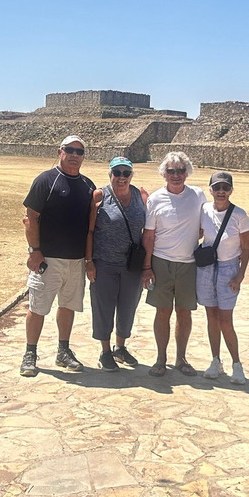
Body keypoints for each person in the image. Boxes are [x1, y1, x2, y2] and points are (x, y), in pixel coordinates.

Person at [20, 135, 96, 376]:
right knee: (38, 307)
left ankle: (63, 350)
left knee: (68, 305)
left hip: (75, 260)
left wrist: (88, 260)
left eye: (79, 152)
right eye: (69, 150)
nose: (74, 155)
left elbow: (91, 227)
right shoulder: (46, 180)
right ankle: (30, 353)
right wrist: (34, 251)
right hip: (48, 259)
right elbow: (30, 218)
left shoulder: (88, 185)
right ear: (59, 151)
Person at [141, 151, 206, 376]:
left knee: (184, 312)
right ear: (164, 173)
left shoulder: (197, 195)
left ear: (187, 172)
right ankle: (161, 358)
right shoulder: (155, 199)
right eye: (171, 171)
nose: (176, 175)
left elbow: (204, 226)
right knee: (162, 312)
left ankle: (181, 358)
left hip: (188, 263)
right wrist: (147, 267)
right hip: (161, 262)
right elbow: (149, 236)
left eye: (180, 170)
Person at [84, 156, 148, 371]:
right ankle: (105, 351)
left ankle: (120, 347)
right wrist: (89, 261)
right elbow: (89, 231)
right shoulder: (100, 196)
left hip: (132, 264)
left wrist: (147, 265)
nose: (122, 177)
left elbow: (149, 230)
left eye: (126, 173)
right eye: (117, 173)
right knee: (103, 307)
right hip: (104, 263)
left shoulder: (140, 195)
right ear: (110, 174)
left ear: (131, 175)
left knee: (128, 306)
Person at [197, 171, 249, 385]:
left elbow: (246, 247)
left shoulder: (240, 215)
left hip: (228, 268)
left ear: (231, 190)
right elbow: (199, 233)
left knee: (225, 319)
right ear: (210, 190)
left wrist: (240, 275)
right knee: (211, 316)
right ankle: (215, 360)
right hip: (207, 268)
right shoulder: (204, 210)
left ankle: (237, 364)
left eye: (225, 188)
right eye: (217, 187)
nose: (221, 191)